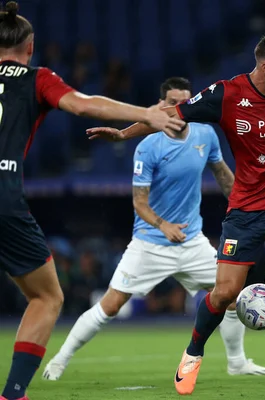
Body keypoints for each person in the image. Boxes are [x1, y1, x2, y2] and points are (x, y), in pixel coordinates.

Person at [86, 32, 265, 396]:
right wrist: (123, 135)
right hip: (247, 207)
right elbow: (167, 114)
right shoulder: (226, 94)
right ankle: (193, 353)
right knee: (225, 292)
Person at [0, 3, 183, 400]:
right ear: (30, 47)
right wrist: (145, 114)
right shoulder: (37, 78)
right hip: (3, 195)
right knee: (47, 297)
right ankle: (13, 393)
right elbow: (83, 105)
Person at [42, 77, 265, 382]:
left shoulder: (206, 134)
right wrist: (162, 225)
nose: (177, 107)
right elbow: (139, 202)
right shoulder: (149, 146)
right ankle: (60, 359)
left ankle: (237, 362)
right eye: (171, 101)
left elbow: (224, 177)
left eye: (184, 100)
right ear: (161, 104)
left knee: (229, 296)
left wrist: (247, 210)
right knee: (111, 305)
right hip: (150, 242)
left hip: (192, 242)